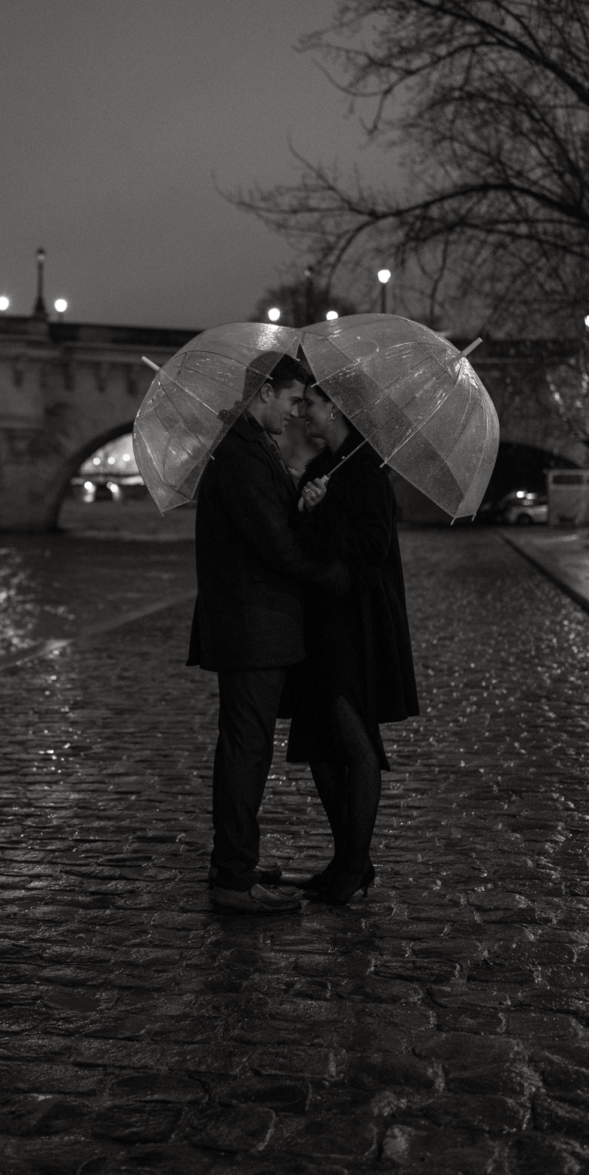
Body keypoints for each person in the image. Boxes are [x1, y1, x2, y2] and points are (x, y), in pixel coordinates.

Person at [187, 354, 351, 916]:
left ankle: (230, 858)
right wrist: (335, 575)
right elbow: (276, 547)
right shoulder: (242, 458)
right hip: (252, 627)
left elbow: (272, 528)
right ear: (262, 393)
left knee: (244, 746)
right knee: (246, 749)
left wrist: (301, 500)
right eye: (290, 399)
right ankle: (234, 877)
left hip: (252, 626)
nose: (298, 411)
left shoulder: (249, 452)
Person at [288, 382, 419, 905]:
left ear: (336, 408)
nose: (302, 413)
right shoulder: (324, 471)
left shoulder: (365, 475)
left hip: (354, 625)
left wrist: (321, 515)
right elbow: (308, 544)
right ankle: (350, 861)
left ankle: (350, 866)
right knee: (320, 746)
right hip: (319, 625)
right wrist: (307, 510)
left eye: (311, 405)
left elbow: (371, 549)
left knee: (354, 741)